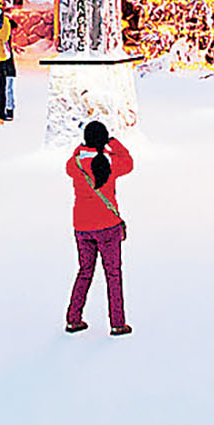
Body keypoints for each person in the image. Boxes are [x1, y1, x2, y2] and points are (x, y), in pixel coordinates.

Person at [65, 119, 133, 336]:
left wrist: (83, 146)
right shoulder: (111, 163)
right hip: (108, 226)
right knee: (113, 274)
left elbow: (73, 157)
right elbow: (129, 162)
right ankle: (117, 323)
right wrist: (112, 142)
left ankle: (73, 319)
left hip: (82, 226)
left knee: (85, 271)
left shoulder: (75, 164)